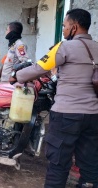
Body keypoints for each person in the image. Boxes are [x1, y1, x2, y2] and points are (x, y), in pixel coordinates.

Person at [9, 9, 98, 188]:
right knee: (90, 163)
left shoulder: (64, 47)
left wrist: (16, 76)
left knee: (58, 163)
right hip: (93, 115)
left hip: (66, 114)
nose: (63, 30)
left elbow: (39, 68)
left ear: (74, 27)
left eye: (64, 26)